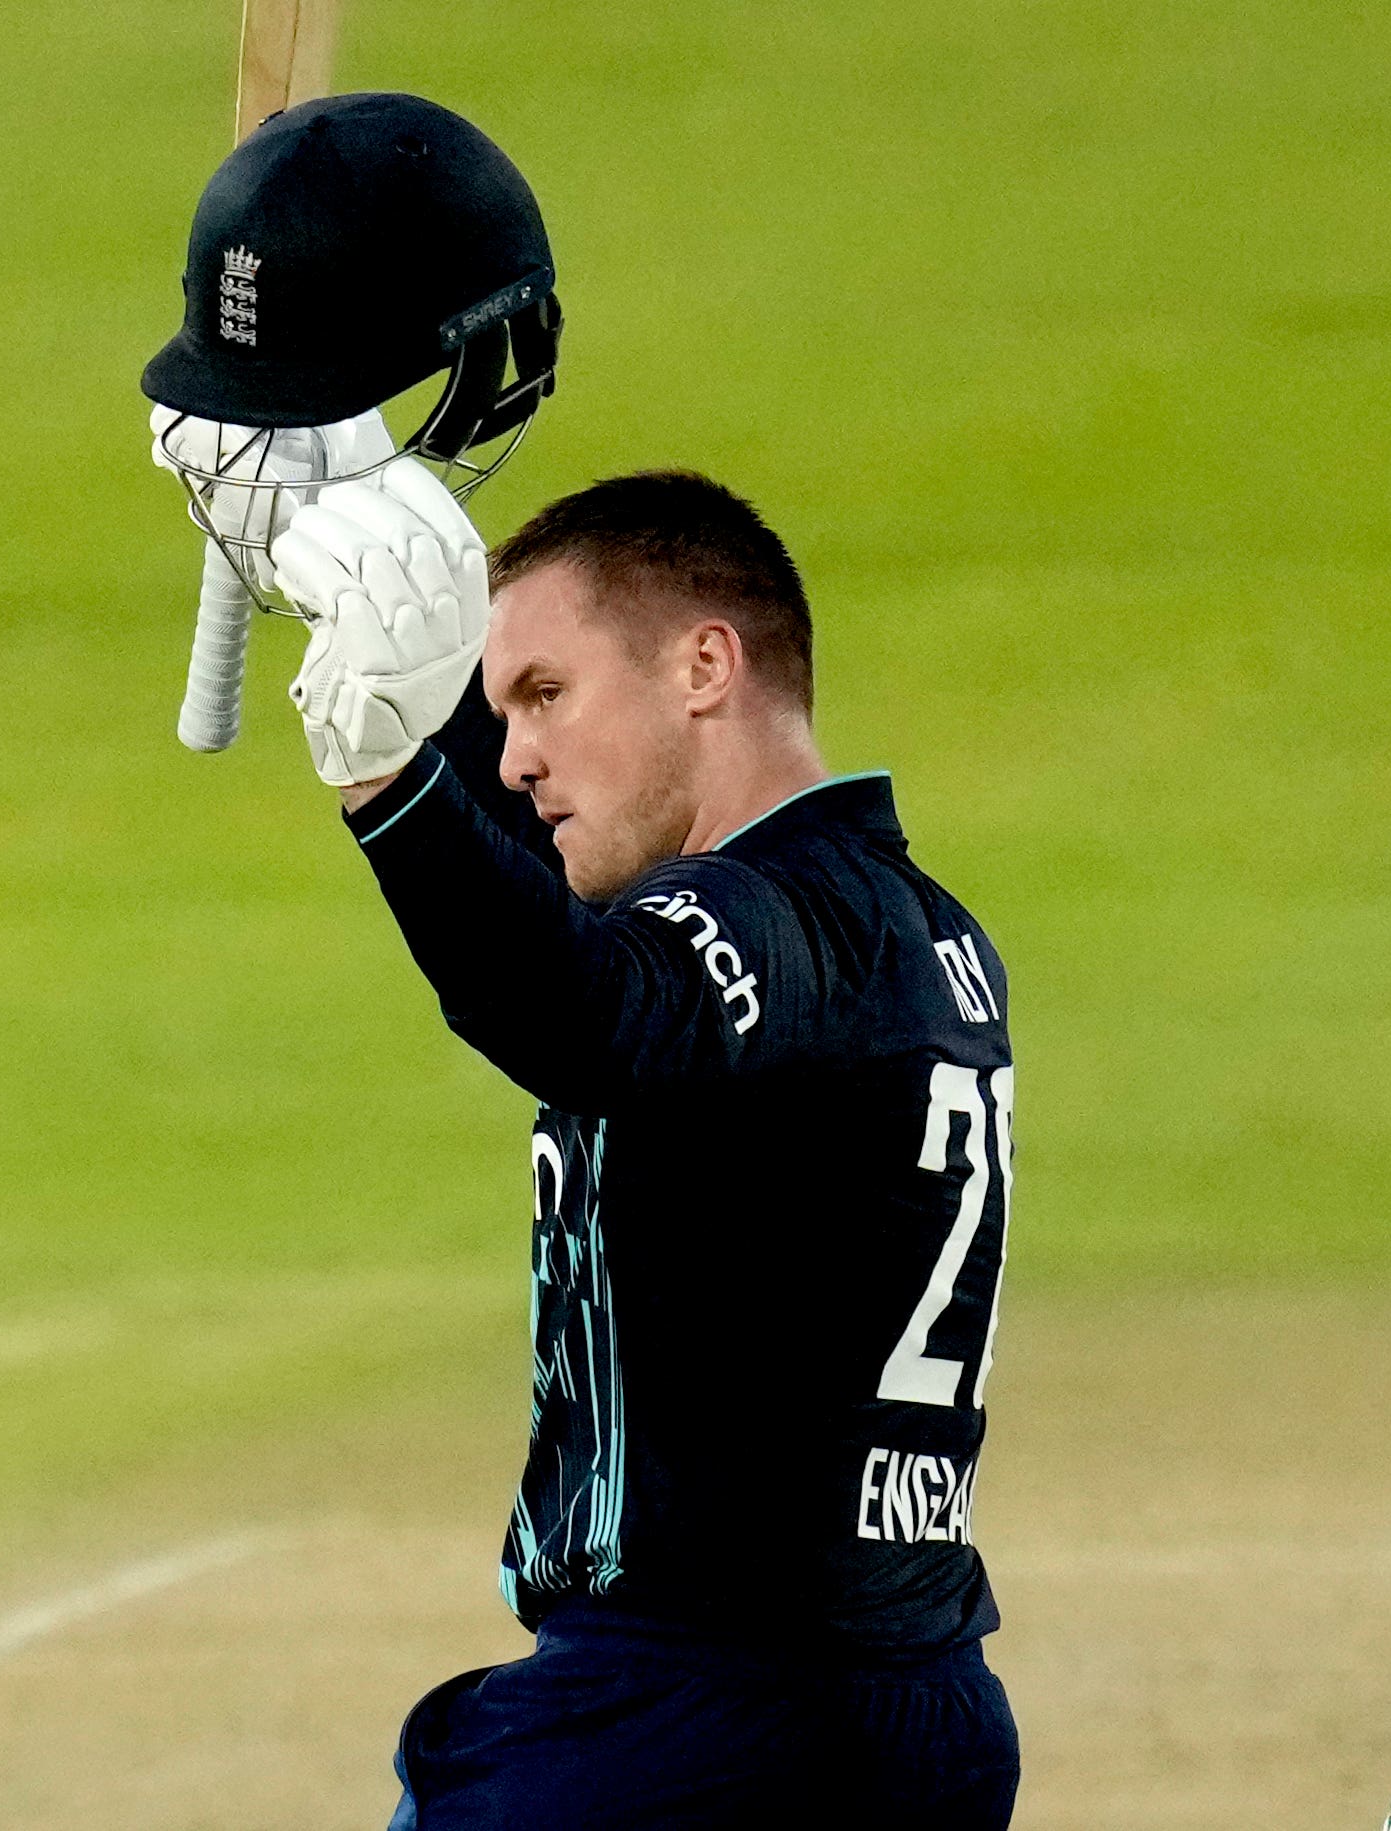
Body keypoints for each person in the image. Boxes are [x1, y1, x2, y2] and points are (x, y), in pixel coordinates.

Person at [263, 461, 1021, 1828]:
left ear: (703, 666)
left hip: (699, 1723)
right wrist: (360, 579)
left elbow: (591, 1013)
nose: (515, 757)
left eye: (544, 695)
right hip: (894, 1699)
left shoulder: (784, 924)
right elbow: (579, 931)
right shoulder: (905, 926)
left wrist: (383, 774)